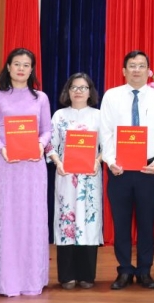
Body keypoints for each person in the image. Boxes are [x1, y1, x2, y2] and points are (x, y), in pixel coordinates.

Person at [0, 48, 52, 296]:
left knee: (32, 219)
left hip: (33, 167)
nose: (21, 68)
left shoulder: (41, 98)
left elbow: (47, 130)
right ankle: (4, 279)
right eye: (17, 64)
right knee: (6, 219)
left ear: (32, 70)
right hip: (5, 165)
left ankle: (32, 278)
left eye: (26, 65)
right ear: (8, 67)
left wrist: (40, 144)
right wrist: (1, 147)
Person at [100, 51, 154, 290]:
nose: (137, 70)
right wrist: (110, 161)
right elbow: (105, 132)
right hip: (119, 169)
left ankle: (144, 271)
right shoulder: (111, 96)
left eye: (142, 66)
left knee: (146, 223)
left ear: (149, 71)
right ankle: (124, 270)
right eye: (132, 65)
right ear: (124, 70)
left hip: (148, 169)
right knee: (121, 223)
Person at [47, 73, 103, 290]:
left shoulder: (98, 116)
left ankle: (86, 275)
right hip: (66, 177)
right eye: (74, 87)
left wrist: (98, 160)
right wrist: (57, 162)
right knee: (66, 222)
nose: (78, 91)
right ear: (68, 91)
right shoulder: (59, 116)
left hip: (90, 179)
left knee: (88, 221)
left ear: (90, 92)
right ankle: (67, 275)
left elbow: (108, 144)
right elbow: (50, 144)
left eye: (83, 87)